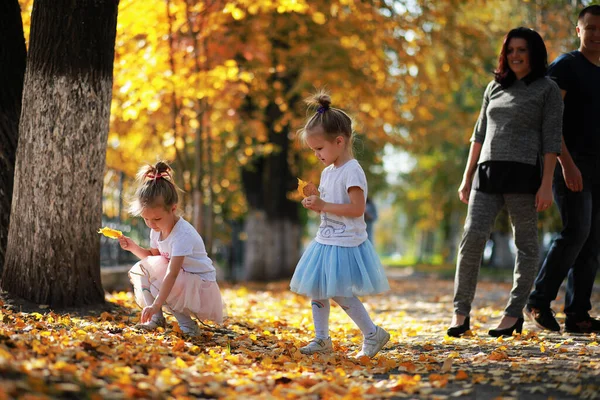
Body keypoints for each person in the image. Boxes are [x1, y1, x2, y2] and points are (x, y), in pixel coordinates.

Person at [447, 27, 563, 338]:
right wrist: (466, 176)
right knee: (471, 240)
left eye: (521, 50)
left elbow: (552, 140)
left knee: (525, 246)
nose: (515, 56)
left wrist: (547, 183)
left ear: (534, 53)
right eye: (510, 50)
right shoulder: (493, 88)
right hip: (486, 173)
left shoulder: (546, 89)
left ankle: (513, 314)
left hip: (524, 175)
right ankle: (461, 313)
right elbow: (479, 135)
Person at [290, 91, 391, 358]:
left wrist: (323, 205)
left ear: (339, 141)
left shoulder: (353, 170)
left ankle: (372, 334)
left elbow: (357, 209)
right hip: (325, 240)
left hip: (346, 242)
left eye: (319, 149)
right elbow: (330, 204)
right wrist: (316, 200)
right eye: (314, 150)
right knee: (317, 289)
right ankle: (322, 339)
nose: (317, 155)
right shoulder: (328, 171)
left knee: (340, 292)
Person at [526, 5, 600, 334]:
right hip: (570, 163)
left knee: (593, 240)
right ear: (578, 30)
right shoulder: (567, 66)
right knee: (576, 232)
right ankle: (538, 301)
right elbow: (549, 119)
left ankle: (578, 314)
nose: (597, 34)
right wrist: (566, 164)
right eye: (591, 28)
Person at [119, 161, 224, 336]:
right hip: (176, 277)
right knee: (145, 270)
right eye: (146, 219)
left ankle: (187, 325)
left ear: (173, 209)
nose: (151, 224)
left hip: (198, 284)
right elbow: (152, 259)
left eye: (157, 219)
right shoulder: (157, 229)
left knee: (158, 283)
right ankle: (156, 319)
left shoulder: (182, 235)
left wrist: (156, 303)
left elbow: (171, 274)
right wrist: (132, 247)